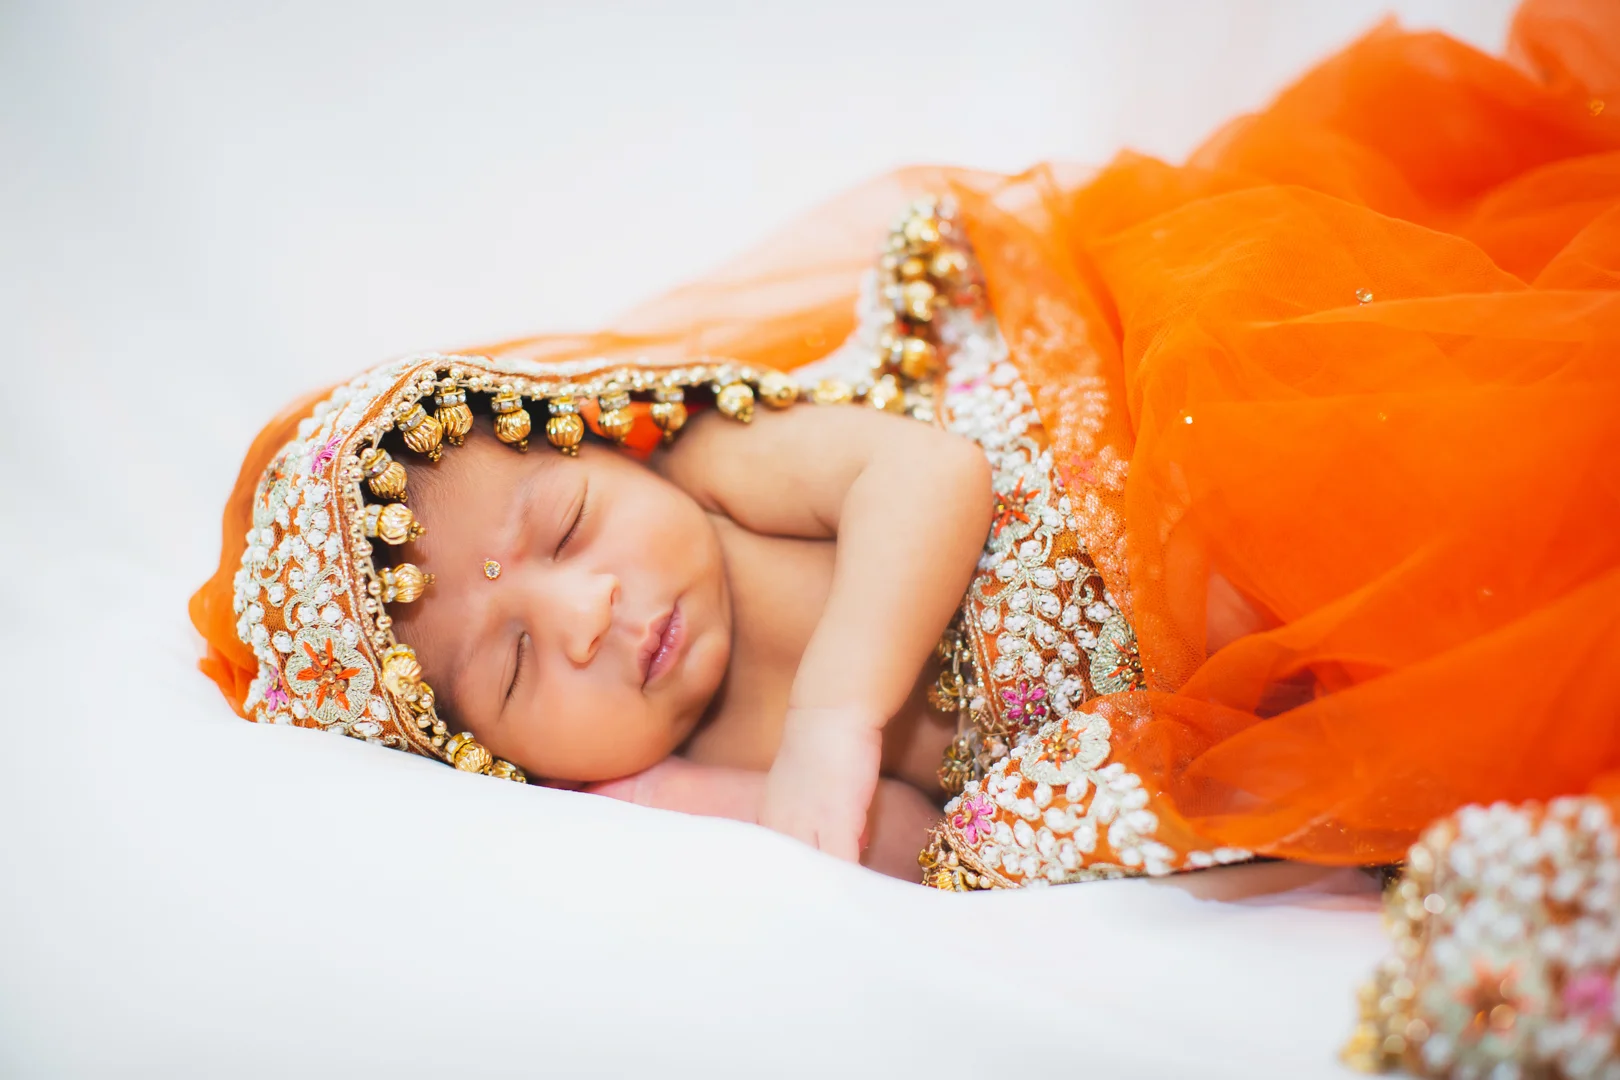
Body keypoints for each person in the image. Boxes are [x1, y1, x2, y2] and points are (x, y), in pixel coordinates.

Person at [193, 0, 1620, 894]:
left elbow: (930, 474)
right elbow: (888, 843)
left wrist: (835, 707)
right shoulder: (660, 783)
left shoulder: (719, 468)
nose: (583, 615)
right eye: (509, 668)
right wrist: (722, 800)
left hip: (1169, 459)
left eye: (564, 526)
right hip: (1197, 696)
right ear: (493, 757)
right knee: (1469, 698)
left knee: (1461, 462)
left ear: (607, 442)